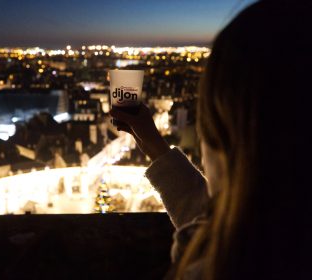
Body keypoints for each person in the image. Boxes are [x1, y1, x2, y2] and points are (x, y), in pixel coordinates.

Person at [110, 0, 309, 279]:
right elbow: (210, 211)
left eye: (212, 127)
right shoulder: (287, 239)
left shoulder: (220, 264)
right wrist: (154, 143)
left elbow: (209, 215)